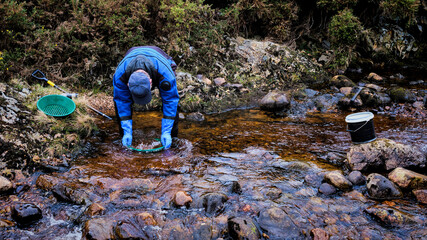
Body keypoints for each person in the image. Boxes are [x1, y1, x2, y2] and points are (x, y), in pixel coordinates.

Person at [113, 46, 179, 149]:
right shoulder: (120, 77)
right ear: (128, 85)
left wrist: (166, 131)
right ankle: (124, 138)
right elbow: (122, 101)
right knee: (119, 102)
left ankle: (172, 139)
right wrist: (126, 131)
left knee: (172, 103)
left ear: (151, 82)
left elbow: (170, 100)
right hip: (130, 56)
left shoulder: (165, 75)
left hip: (159, 59)